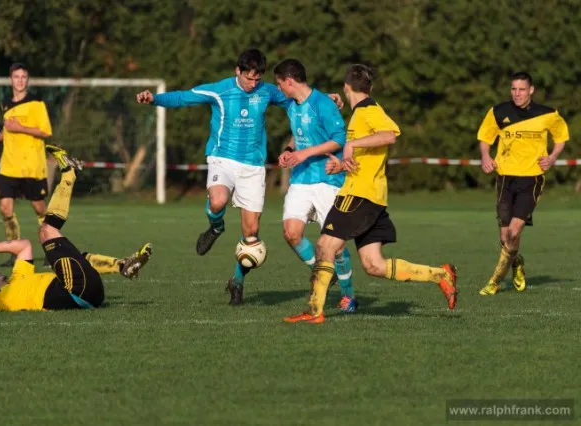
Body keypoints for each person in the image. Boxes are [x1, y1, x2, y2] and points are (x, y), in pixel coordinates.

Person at [136, 48, 342, 305]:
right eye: (248, 78)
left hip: (253, 167)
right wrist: (154, 99)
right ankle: (216, 226)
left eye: (257, 78)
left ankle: (237, 281)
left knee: (251, 235)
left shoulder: (266, 91)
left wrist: (327, 99)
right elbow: (184, 97)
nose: (253, 84)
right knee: (218, 201)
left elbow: (300, 95)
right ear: (238, 71)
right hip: (222, 159)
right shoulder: (220, 90)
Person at [284, 64, 458, 324]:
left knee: (324, 245)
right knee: (373, 265)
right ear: (371, 87)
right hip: (371, 196)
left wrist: (352, 144)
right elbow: (366, 157)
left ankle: (315, 311)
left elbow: (389, 135)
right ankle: (440, 275)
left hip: (359, 195)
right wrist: (341, 165)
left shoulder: (368, 110)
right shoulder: (358, 114)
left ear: (346, 87)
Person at [0, 145, 153, 311]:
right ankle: (69, 173)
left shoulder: (18, 277)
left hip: (89, 293)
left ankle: (122, 265)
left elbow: (24, 246)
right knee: (46, 230)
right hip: (74, 292)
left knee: (74, 254)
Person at [273, 58, 357, 313]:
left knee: (336, 246)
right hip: (301, 179)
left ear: (289, 81)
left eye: (279, 83)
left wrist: (305, 153)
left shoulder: (323, 103)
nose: (278, 88)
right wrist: (290, 150)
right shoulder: (291, 105)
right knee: (291, 234)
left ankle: (348, 295)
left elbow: (339, 140)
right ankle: (323, 272)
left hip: (328, 180)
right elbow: (299, 134)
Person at [477, 71, 569, 296]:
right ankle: (516, 263)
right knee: (505, 238)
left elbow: (561, 138)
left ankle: (494, 281)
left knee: (514, 232)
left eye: (521, 89)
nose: (517, 94)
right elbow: (485, 138)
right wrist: (485, 156)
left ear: (531, 90)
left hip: (532, 179)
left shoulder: (548, 114)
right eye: (513, 89)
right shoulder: (498, 112)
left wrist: (552, 157)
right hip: (505, 179)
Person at [0, 63, 53, 267]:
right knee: (5, 208)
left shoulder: (36, 103)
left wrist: (20, 127)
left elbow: (45, 131)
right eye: (16, 77)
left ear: (27, 79)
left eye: (24, 77)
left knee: (40, 209)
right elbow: (8, 129)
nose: (20, 80)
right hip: (9, 166)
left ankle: (52, 249)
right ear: (11, 79)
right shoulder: (6, 103)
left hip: (31, 166)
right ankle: (15, 251)